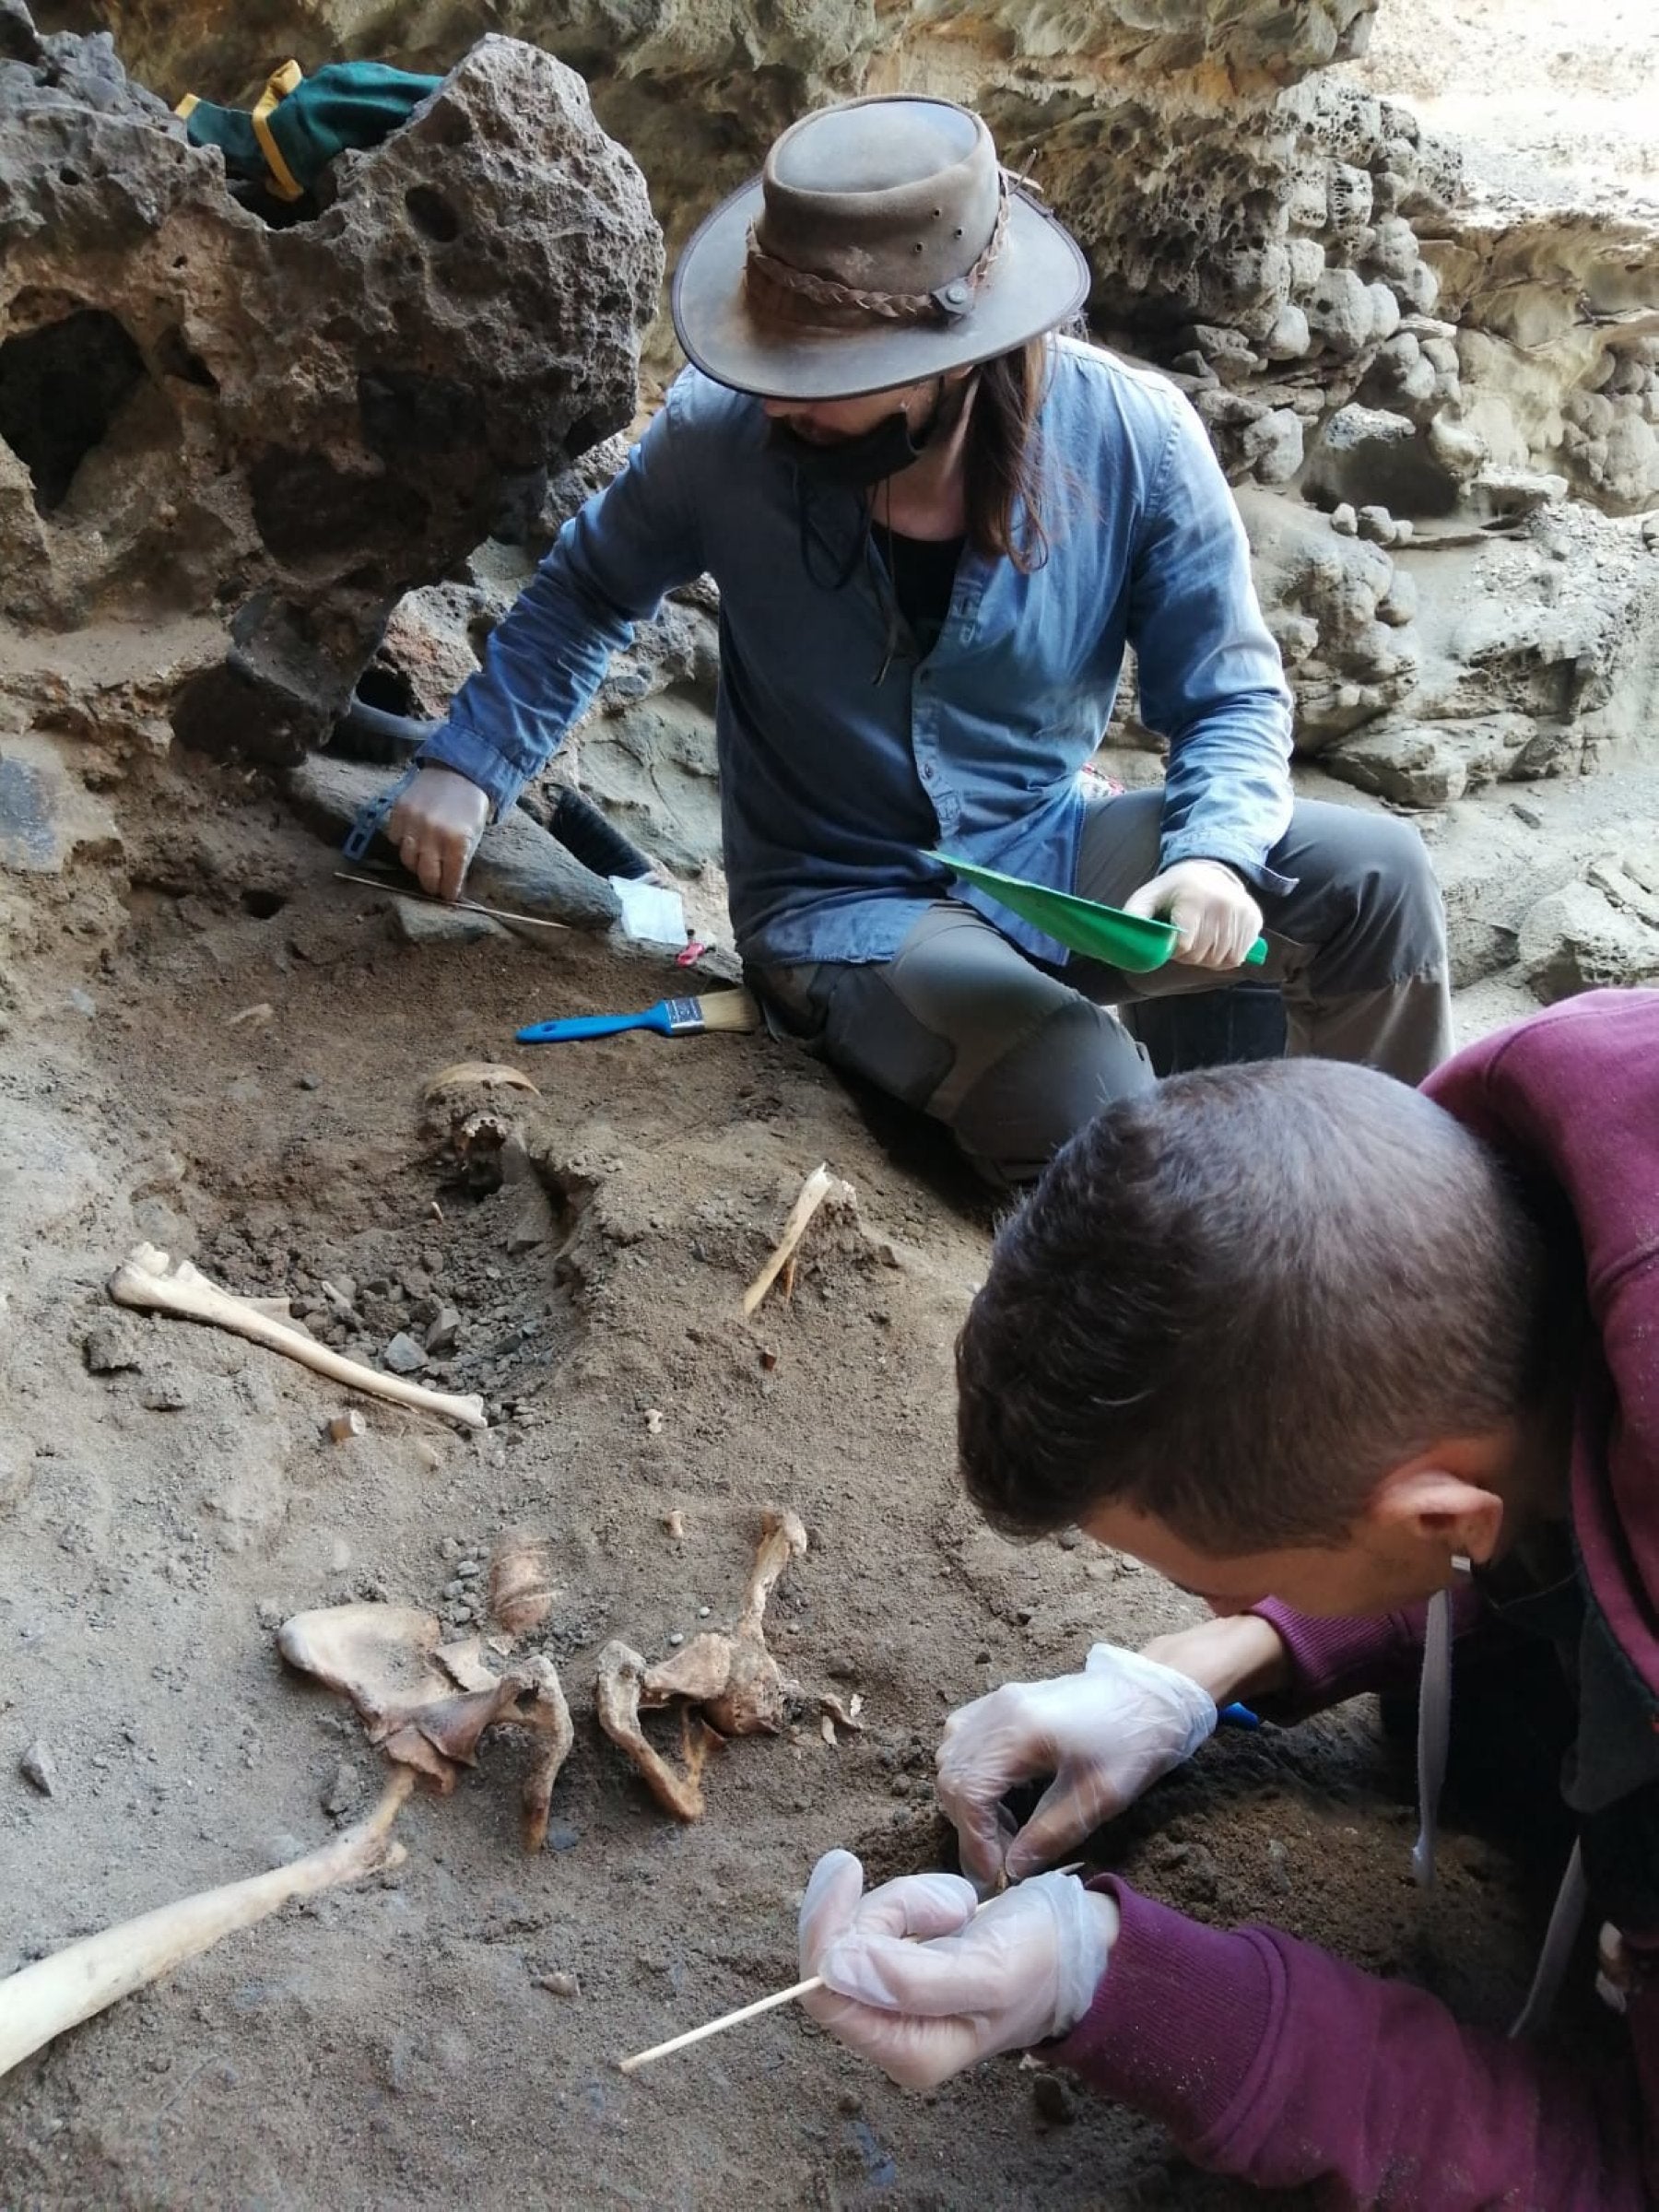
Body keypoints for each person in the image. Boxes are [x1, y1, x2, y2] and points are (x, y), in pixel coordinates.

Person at [387, 93, 1452, 1185]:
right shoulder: (720, 439)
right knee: (1098, 1101)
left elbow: (1230, 696)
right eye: (769, 361)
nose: (775, 404)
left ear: (956, 355)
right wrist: (471, 767)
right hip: (840, 901)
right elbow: (585, 592)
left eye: (819, 377)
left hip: (1046, 849)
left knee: (1379, 876)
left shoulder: (1135, 442)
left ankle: (1392, 1203)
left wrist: (1213, 855)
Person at [795, 986, 1659, 2206]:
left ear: (1436, 1519)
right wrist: (1217, 1664)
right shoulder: (1511, 1169)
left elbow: (1616, 2166)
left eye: (1218, 1584)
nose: (1193, 1606)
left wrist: (1118, 1984)